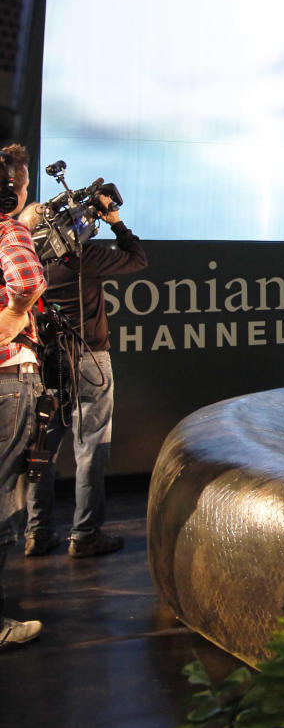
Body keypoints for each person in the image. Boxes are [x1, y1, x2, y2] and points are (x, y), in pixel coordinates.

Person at [24, 192, 147, 558]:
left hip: (45, 362)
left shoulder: (28, 259)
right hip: (90, 361)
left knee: (41, 450)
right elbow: (137, 259)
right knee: (91, 449)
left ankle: (37, 532)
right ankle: (85, 535)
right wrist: (116, 222)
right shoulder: (85, 257)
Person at [0, 144, 46, 649]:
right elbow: (29, 281)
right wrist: (10, 322)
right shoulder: (8, 230)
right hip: (8, 380)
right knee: (2, 498)